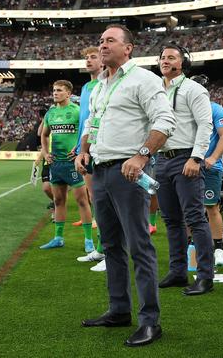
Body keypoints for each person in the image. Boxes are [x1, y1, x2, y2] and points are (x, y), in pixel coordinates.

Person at [76, 24, 176, 347]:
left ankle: (150, 321)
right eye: (100, 41)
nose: (102, 46)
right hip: (101, 173)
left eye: (110, 41)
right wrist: (84, 150)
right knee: (110, 245)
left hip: (128, 173)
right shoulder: (100, 86)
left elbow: (165, 121)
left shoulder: (143, 79)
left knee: (139, 247)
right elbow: (93, 122)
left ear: (128, 48)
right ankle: (119, 309)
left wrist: (142, 155)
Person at [155, 45, 214, 296]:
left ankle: (205, 276)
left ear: (183, 62)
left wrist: (196, 157)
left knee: (195, 218)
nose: (165, 61)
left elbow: (205, 124)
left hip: (185, 158)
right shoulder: (156, 89)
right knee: (170, 219)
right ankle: (178, 271)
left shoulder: (193, 89)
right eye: (162, 57)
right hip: (161, 159)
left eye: (171, 57)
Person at [40, 80, 92, 252]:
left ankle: (88, 240)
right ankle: (58, 238)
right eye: (54, 90)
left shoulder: (77, 111)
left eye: (59, 90)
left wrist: (79, 149)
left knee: (82, 201)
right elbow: (45, 134)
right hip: (56, 164)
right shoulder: (51, 113)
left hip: (73, 163)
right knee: (58, 200)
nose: (55, 93)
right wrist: (46, 153)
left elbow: (87, 131)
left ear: (69, 93)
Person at [190, 74, 223, 266]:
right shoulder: (185, 110)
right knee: (189, 209)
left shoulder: (215, 109)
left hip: (209, 167)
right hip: (188, 166)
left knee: (211, 206)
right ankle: (191, 248)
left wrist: (213, 157)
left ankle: (218, 250)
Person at [74, 46, 105, 270]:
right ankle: (101, 249)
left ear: (102, 61)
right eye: (86, 57)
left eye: (93, 57)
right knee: (95, 200)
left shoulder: (105, 83)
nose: (88, 60)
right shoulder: (85, 87)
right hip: (84, 148)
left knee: (104, 202)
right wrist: (79, 148)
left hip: (101, 148)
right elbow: (85, 120)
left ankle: (108, 251)